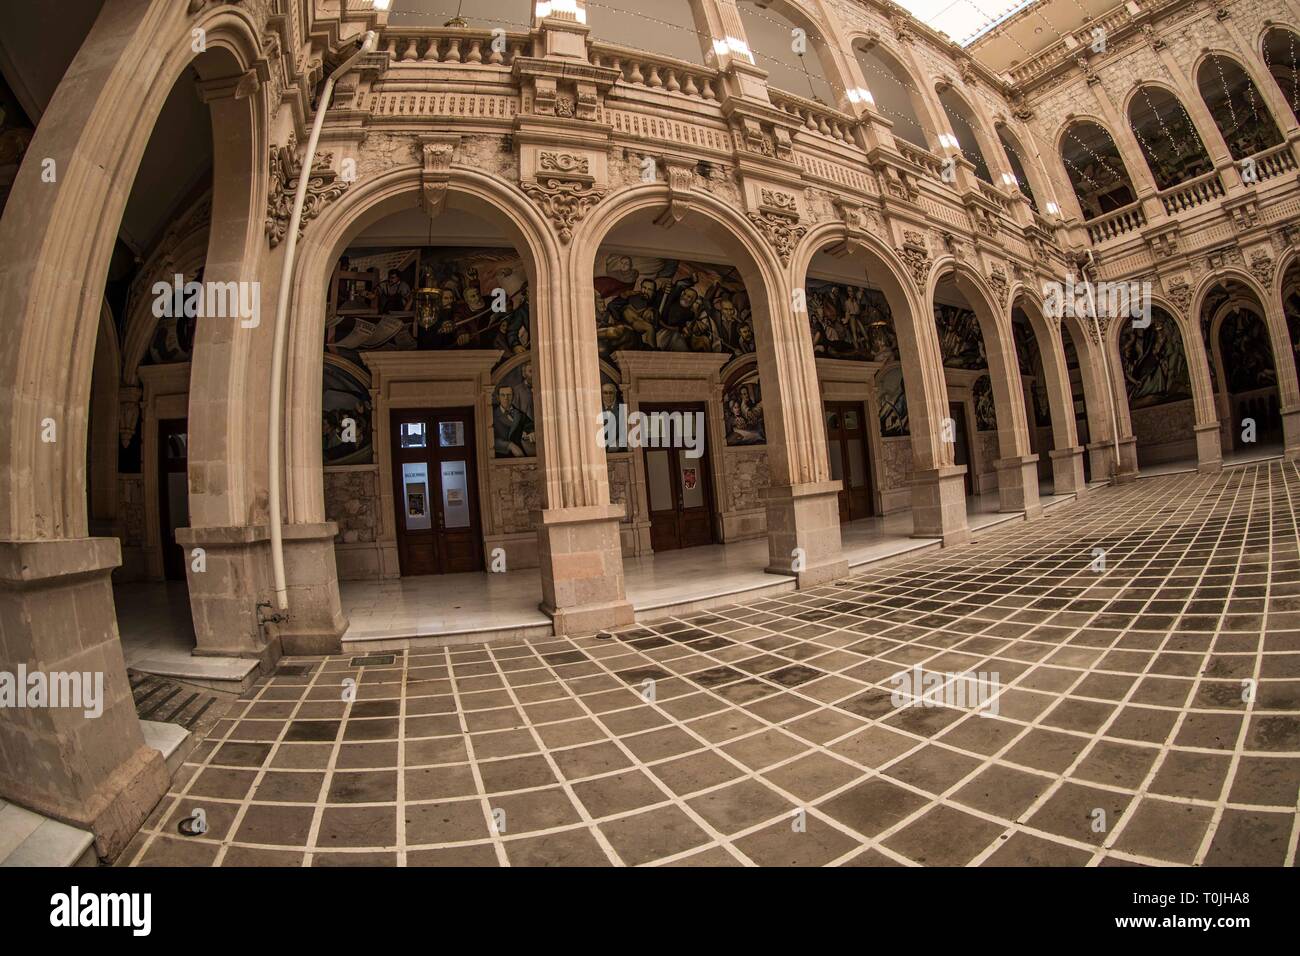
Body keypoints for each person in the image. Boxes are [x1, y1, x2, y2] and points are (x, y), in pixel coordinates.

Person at [493, 385, 535, 457]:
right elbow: (490, 440)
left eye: (509, 395)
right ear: (498, 397)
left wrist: (530, 432)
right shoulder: (493, 415)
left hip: (523, 455)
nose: (506, 398)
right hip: (504, 456)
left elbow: (530, 425)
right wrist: (509, 445)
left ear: (513, 396)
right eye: (503, 395)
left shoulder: (520, 414)